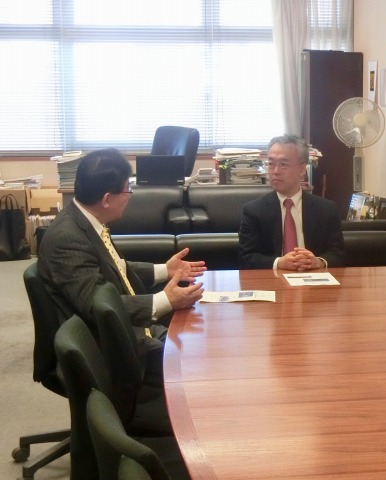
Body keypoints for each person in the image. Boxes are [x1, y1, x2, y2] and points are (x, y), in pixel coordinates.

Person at [38, 148, 205, 374]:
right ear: (107, 199)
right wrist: (166, 300)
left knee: (201, 340)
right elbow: (100, 306)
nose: (130, 196)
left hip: (132, 331)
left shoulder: (85, 219)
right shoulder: (67, 239)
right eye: (128, 189)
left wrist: (165, 270)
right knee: (200, 360)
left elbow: (113, 267)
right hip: (114, 351)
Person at [239, 134, 345, 270]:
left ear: (302, 170)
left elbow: (338, 254)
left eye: (283, 164)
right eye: (271, 164)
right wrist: (279, 263)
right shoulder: (254, 211)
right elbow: (246, 258)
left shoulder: (326, 209)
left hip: (313, 278)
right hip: (272, 279)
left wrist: (318, 262)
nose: (275, 171)